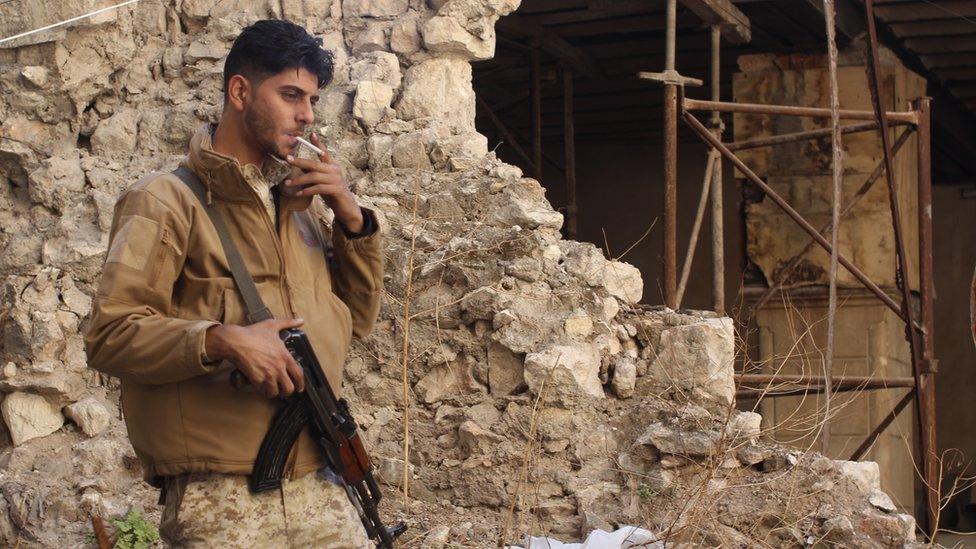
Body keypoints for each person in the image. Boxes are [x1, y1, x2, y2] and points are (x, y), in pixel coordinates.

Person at [84, 19, 382, 547]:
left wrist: (352, 220)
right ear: (240, 92)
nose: (307, 115)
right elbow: (110, 335)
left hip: (320, 480)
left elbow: (355, 321)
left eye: (312, 100)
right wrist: (220, 341)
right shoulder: (163, 201)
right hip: (221, 496)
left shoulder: (301, 208)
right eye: (290, 95)